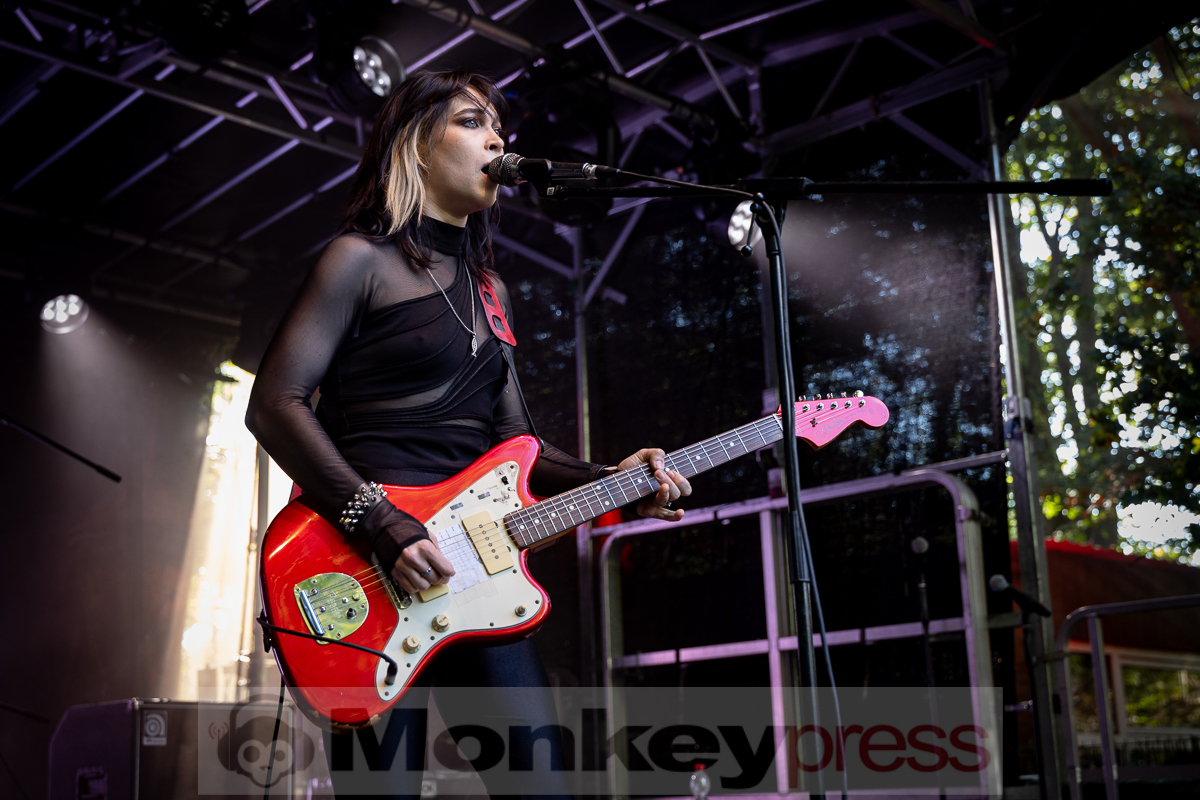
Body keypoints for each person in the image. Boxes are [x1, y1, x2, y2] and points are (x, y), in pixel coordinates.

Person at [245, 70, 691, 799]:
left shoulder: (491, 292)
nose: (497, 140)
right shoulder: (359, 261)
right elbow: (274, 404)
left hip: (475, 582)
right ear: (417, 145)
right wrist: (383, 525)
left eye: (499, 128)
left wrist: (616, 480)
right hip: (368, 568)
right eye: (471, 121)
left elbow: (517, 447)